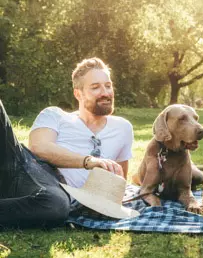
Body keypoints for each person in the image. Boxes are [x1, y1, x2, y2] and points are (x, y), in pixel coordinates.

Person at [0, 57, 133, 228]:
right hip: (27, 169)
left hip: (56, 196)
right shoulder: (55, 115)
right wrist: (88, 161)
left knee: (55, 206)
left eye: (108, 86)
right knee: (57, 202)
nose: (105, 92)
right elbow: (39, 147)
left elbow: (120, 177)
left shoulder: (123, 128)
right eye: (95, 87)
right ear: (78, 94)